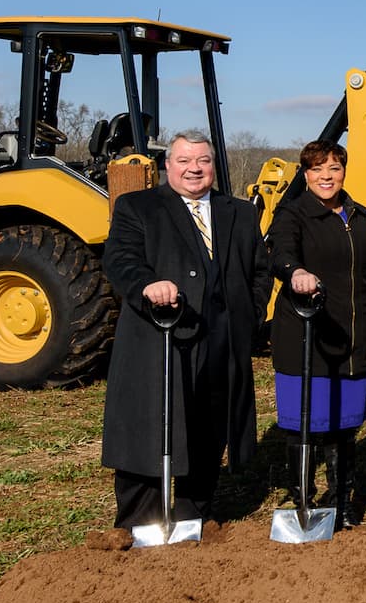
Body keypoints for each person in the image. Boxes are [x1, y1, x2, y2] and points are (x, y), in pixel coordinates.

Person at [100, 130, 271, 527]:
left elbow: (259, 271)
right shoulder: (139, 207)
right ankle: (140, 524)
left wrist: (248, 314)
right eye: (184, 161)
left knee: (208, 429)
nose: (194, 169)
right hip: (159, 339)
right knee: (150, 427)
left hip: (220, 343)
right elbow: (121, 259)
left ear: (213, 166)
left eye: (203, 161)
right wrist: (147, 285)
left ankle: (194, 517)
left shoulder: (240, 212)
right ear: (168, 166)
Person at [264, 139, 366, 525]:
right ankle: (303, 499)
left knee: (345, 425)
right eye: (317, 169)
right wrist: (295, 272)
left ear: (344, 171)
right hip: (306, 335)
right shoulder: (293, 214)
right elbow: (280, 254)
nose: (326, 176)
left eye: (334, 168)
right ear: (305, 174)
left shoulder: (361, 216)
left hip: (353, 337)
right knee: (302, 422)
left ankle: (341, 502)